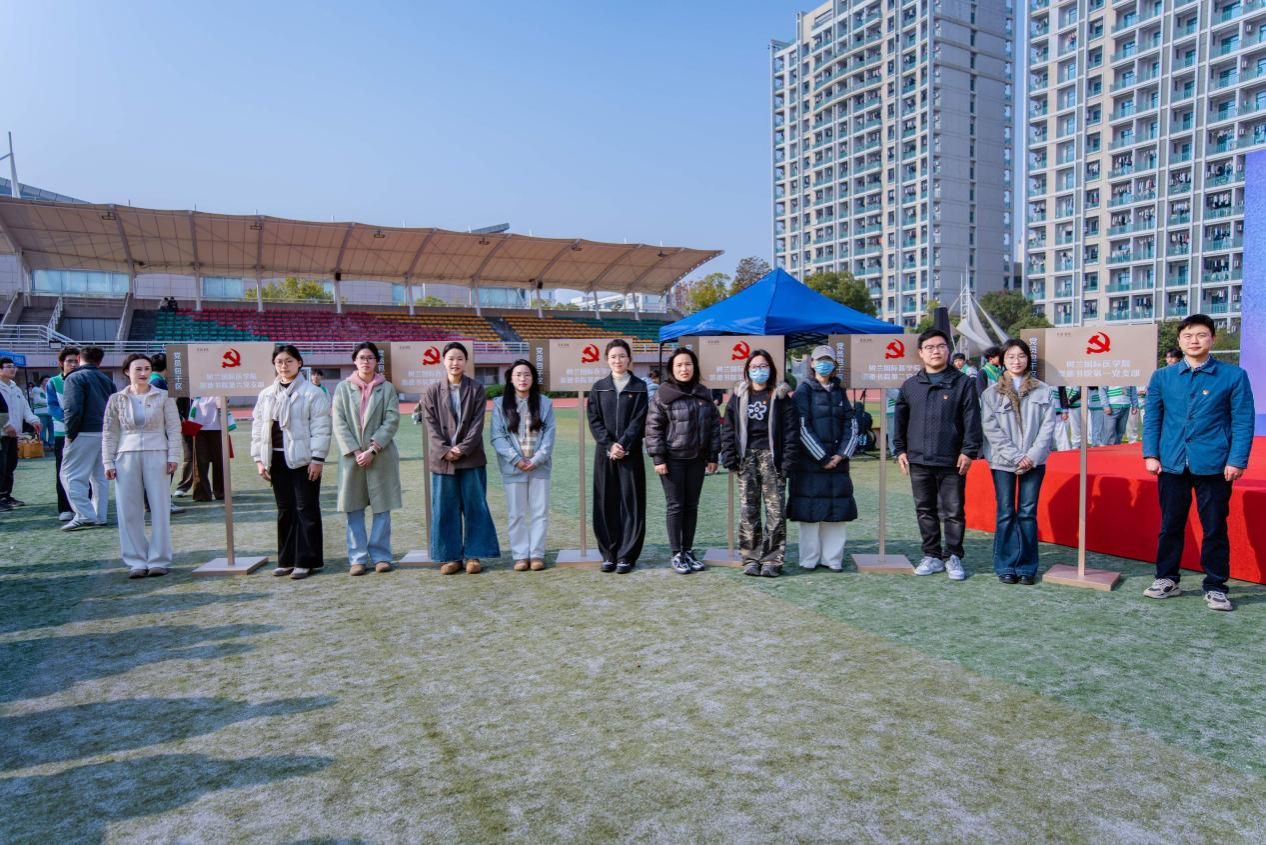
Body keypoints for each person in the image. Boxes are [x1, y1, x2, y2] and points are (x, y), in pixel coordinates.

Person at [1142, 314, 1255, 612]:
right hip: (1171, 462)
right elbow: (1153, 418)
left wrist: (1237, 459)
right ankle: (1167, 578)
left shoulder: (1233, 376)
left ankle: (1216, 586)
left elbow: (1243, 421)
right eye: (1188, 335)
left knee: (1214, 527)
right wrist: (1151, 454)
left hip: (1215, 464)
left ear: (1212, 339)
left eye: (1201, 335)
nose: (1194, 340)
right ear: (1180, 341)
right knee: (1170, 525)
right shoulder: (1162, 377)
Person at [894, 329, 984, 581]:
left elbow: (972, 419)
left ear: (948, 350)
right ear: (921, 353)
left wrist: (968, 450)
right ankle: (931, 555)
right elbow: (900, 421)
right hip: (919, 459)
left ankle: (953, 555)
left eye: (941, 346)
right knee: (925, 509)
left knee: (953, 511)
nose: (936, 351)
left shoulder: (963, 383)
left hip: (952, 459)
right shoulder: (911, 385)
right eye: (930, 347)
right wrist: (900, 449)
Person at [980, 340, 1057, 585]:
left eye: (1021, 356)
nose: (1016, 361)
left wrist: (1032, 456)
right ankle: (1005, 565)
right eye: (1011, 356)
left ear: (1028, 359)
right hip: (1003, 461)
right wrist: (1016, 456)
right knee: (1005, 512)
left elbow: (1048, 427)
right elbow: (990, 429)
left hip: (1034, 462)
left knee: (1027, 513)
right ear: (1002, 360)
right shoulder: (991, 393)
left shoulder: (1043, 390)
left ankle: (1026, 567)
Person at [251, 345, 332, 580]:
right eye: (279, 362)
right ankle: (286, 559)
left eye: (289, 361)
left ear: (299, 363)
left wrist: (317, 459)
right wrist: (259, 459)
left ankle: (306, 561)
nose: (284, 366)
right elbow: (258, 428)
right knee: (285, 509)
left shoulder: (312, 393)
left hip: (303, 459)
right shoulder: (267, 394)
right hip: (276, 458)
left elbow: (321, 428)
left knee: (306, 508)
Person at [420, 341, 499, 574]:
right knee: (445, 508)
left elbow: (477, 424)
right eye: (451, 358)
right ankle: (450, 556)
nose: (455, 363)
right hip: (442, 460)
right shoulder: (432, 391)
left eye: (460, 358)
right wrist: (445, 450)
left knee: (475, 506)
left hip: (471, 457)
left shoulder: (476, 389)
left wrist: (462, 449)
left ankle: (474, 555)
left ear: (466, 362)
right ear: (443, 361)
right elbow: (431, 426)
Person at [721, 349, 801, 576]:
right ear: (747, 370)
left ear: (771, 369)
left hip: (773, 460)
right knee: (749, 511)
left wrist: (786, 463)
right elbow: (728, 428)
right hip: (746, 459)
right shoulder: (738, 396)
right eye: (754, 367)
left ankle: (772, 560)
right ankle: (751, 558)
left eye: (763, 366)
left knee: (775, 513)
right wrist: (730, 456)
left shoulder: (781, 397)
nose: (759, 370)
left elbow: (791, 433)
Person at [102, 354, 181, 578]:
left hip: (158, 454)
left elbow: (174, 428)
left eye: (147, 368)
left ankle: (159, 559)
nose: (143, 373)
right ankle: (136, 560)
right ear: (127, 372)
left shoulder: (164, 396)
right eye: (138, 369)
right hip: (125, 455)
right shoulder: (116, 399)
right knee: (128, 510)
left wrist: (173, 456)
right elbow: (109, 432)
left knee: (160, 507)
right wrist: (107, 461)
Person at [644, 346, 720, 574]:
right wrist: (658, 458)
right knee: (676, 506)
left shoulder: (704, 393)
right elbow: (653, 427)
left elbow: (714, 426)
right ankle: (676, 553)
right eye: (679, 365)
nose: (684, 369)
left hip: (697, 459)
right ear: (672, 369)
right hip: (672, 460)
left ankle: (688, 550)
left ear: (694, 367)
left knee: (692, 506)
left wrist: (713, 455)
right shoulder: (663, 394)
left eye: (688, 364)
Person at [787, 345, 859, 572]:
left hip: (838, 464)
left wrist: (841, 455)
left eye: (828, 360)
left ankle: (832, 559)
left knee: (836, 514)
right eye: (820, 360)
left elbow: (851, 424)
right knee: (810, 515)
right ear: (812, 363)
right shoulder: (803, 391)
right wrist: (823, 457)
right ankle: (809, 558)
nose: (824, 364)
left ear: (834, 364)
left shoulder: (840, 391)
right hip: (809, 465)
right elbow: (801, 427)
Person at [332, 342, 401, 576]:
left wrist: (372, 449)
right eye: (362, 357)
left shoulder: (387, 388)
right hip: (352, 458)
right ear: (355, 360)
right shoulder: (343, 388)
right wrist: (355, 451)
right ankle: (358, 558)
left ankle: (381, 556)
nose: (366, 361)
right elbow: (338, 422)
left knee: (382, 509)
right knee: (354, 508)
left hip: (380, 455)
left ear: (376, 362)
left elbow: (392, 420)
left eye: (370, 357)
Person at [588, 339, 649, 573]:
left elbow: (640, 420)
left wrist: (623, 444)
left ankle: (626, 555)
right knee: (605, 502)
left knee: (632, 504)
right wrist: (609, 444)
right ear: (607, 360)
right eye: (613, 356)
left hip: (630, 454)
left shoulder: (639, 387)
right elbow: (594, 419)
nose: (618, 360)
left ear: (629, 359)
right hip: (605, 455)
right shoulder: (599, 387)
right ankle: (609, 553)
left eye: (622, 356)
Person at [491, 359, 556, 572]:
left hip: (539, 467)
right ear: (510, 378)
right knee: (516, 514)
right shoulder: (500, 404)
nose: (522, 378)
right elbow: (497, 437)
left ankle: (536, 554)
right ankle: (520, 555)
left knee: (540, 513)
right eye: (518, 374)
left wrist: (536, 460)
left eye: (527, 374)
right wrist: (516, 460)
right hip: (513, 468)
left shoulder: (545, 403)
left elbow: (549, 436)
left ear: (533, 378)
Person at [60, 346, 114, 531]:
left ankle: (84, 514)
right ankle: (100, 515)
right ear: (100, 361)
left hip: (83, 431)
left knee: (71, 475)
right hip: (104, 432)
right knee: (99, 477)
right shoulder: (107, 380)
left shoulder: (74, 377)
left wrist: (70, 433)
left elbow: (72, 408)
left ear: (78, 358)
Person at [0, 357, 40, 508]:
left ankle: (5, 496)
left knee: (10, 465)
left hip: (13, 434)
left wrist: (33, 420)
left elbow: (25, 408)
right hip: (2, 433)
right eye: (8, 366)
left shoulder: (15, 388)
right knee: (1, 466)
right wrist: (6, 425)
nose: (12, 369)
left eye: (13, 366)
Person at [46, 347, 80, 521]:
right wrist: (69, 421)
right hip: (62, 433)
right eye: (69, 361)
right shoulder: (53, 382)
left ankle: (84, 506)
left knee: (84, 471)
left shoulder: (83, 379)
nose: (73, 364)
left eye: (76, 361)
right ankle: (65, 508)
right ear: (62, 363)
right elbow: (52, 406)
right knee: (63, 471)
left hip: (83, 432)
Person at [188, 395, 229, 501]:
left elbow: (226, 400)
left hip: (218, 428)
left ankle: (221, 492)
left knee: (219, 461)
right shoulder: (196, 390)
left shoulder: (219, 389)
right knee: (200, 462)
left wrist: (223, 400)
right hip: (198, 428)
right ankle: (202, 494)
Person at [1053, 386, 1083, 452]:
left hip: (1075, 406)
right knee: (1063, 429)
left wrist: (1071, 400)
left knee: (1075, 428)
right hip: (1062, 407)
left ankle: (1076, 446)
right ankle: (1057, 447)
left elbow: (1081, 391)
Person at [33, 377, 54, 450]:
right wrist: (50, 401)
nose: (47, 382)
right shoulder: (36, 389)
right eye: (45, 380)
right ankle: (44, 444)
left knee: (52, 429)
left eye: (49, 380)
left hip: (51, 412)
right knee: (42, 429)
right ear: (41, 382)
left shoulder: (51, 390)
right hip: (40, 413)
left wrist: (48, 401)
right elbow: (38, 400)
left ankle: (52, 443)